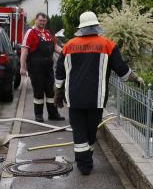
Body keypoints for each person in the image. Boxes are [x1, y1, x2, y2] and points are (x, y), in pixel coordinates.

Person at [54, 11, 144, 175]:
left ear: (81, 28)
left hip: (74, 97)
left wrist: (58, 91)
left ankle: (84, 164)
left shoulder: (69, 45)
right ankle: (86, 161)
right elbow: (122, 70)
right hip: (96, 98)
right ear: (96, 26)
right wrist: (136, 79)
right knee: (90, 131)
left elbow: (60, 71)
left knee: (79, 131)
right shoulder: (107, 45)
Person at [20, 13, 64, 123]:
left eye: (44, 21)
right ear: (36, 20)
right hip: (35, 69)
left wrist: (67, 52)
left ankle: (53, 114)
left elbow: (56, 47)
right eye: (40, 20)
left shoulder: (48, 33)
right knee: (38, 92)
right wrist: (22, 67)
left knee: (51, 92)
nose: (42, 23)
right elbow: (24, 51)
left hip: (48, 68)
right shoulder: (30, 32)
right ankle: (38, 115)